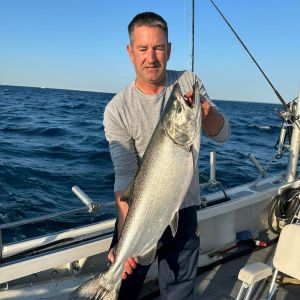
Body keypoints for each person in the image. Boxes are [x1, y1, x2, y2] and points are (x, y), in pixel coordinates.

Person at [103, 11, 230, 300]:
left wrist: (206, 112)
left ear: (169, 49)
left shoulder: (189, 82)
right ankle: (109, 281)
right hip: (140, 213)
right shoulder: (117, 109)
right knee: (124, 285)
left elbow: (222, 135)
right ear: (130, 52)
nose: (151, 57)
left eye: (159, 48)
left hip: (183, 211)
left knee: (178, 293)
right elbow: (125, 180)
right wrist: (124, 240)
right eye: (143, 49)